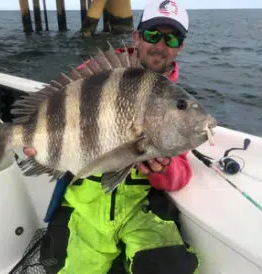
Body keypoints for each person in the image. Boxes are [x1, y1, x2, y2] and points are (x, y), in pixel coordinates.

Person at [24, 0, 199, 273]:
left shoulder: (175, 103)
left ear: (180, 46)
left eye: (172, 38)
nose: (161, 45)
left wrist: (164, 167)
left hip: (141, 210)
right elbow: (66, 107)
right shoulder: (96, 74)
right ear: (137, 37)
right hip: (85, 204)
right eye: (153, 35)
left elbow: (181, 175)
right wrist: (39, 149)